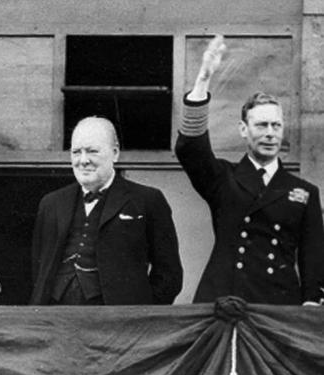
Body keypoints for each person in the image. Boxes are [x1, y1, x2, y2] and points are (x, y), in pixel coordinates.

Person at [175, 35, 324, 305]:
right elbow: (190, 149)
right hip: (224, 303)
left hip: (278, 308)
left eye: (276, 126)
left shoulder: (304, 192)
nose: (270, 134)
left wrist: (311, 305)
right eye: (261, 125)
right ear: (244, 130)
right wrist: (203, 78)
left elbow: (313, 258)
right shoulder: (223, 178)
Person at [31, 116, 183, 305]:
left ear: (115, 153)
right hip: (56, 317)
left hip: (117, 324)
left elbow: (169, 275)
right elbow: (38, 267)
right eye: (76, 152)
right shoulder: (51, 203)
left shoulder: (147, 200)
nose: (83, 160)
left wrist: (141, 317)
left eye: (92, 151)